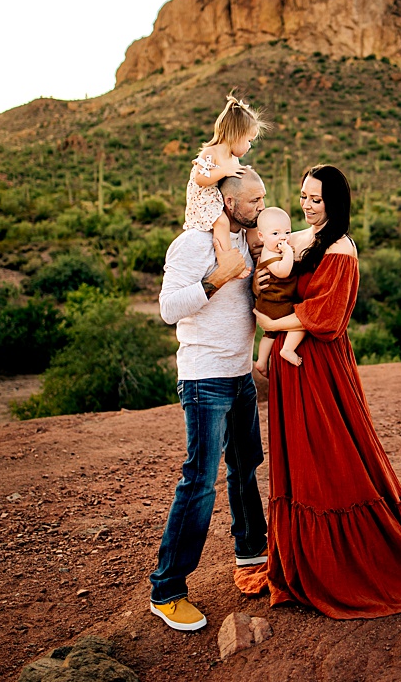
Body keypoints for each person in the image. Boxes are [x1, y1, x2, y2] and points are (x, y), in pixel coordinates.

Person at [251, 164, 401, 616]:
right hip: (292, 365)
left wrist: (269, 323)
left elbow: (327, 315)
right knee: (299, 455)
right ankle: (299, 560)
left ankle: (340, 562)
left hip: (318, 365)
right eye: (303, 195)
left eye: (316, 199)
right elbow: (270, 276)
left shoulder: (341, 248)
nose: (306, 204)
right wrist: (261, 285)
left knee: (331, 452)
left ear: (334, 203)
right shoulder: (300, 239)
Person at [148, 167, 267, 635]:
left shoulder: (244, 239)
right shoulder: (193, 244)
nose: (260, 206)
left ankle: (252, 552)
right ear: (229, 201)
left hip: (239, 376)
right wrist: (218, 278)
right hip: (204, 379)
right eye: (254, 200)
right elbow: (167, 308)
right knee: (199, 481)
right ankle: (168, 590)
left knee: (246, 463)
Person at [185, 93, 264, 273]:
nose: (249, 146)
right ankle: (227, 262)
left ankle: (257, 254)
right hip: (204, 199)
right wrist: (224, 171)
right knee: (221, 222)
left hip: (221, 199)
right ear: (236, 134)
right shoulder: (211, 152)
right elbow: (200, 178)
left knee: (251, 221)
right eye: (249, 141)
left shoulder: (232, 159)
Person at [250, 205, 313, 372]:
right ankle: (287, 349)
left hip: (270, 304)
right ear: (261, 236)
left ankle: (262, 362)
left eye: (287, 232)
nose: (283, 238)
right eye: (276, 233)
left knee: (269, 334)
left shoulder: (272, 249)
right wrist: (289, 254)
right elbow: (283, 272)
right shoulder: (270, 254)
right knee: (301, 321)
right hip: (277, 303)